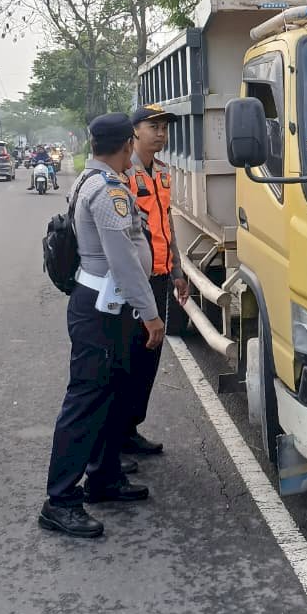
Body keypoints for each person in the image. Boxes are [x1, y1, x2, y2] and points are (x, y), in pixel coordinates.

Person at [39, 113, 165, 539]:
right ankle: (60, 500)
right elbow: (124, 261)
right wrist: (151, 314)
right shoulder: (108, 190)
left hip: (106, 306)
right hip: (102, 308)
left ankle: (105, 476)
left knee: (113, 390)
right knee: (87, 398)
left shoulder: (87, 180)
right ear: (127, 145)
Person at [124, 104, 189, 455]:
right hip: (135, 282)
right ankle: (116, 436)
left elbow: (168, 224)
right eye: (154, 127)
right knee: (129, 358)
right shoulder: (123, 174)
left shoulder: (162, 172)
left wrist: (178, 271)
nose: (161, 133)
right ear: (134, 131)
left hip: (161, 276)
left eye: (164, 127)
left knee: (149, 358)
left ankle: (130, 428)